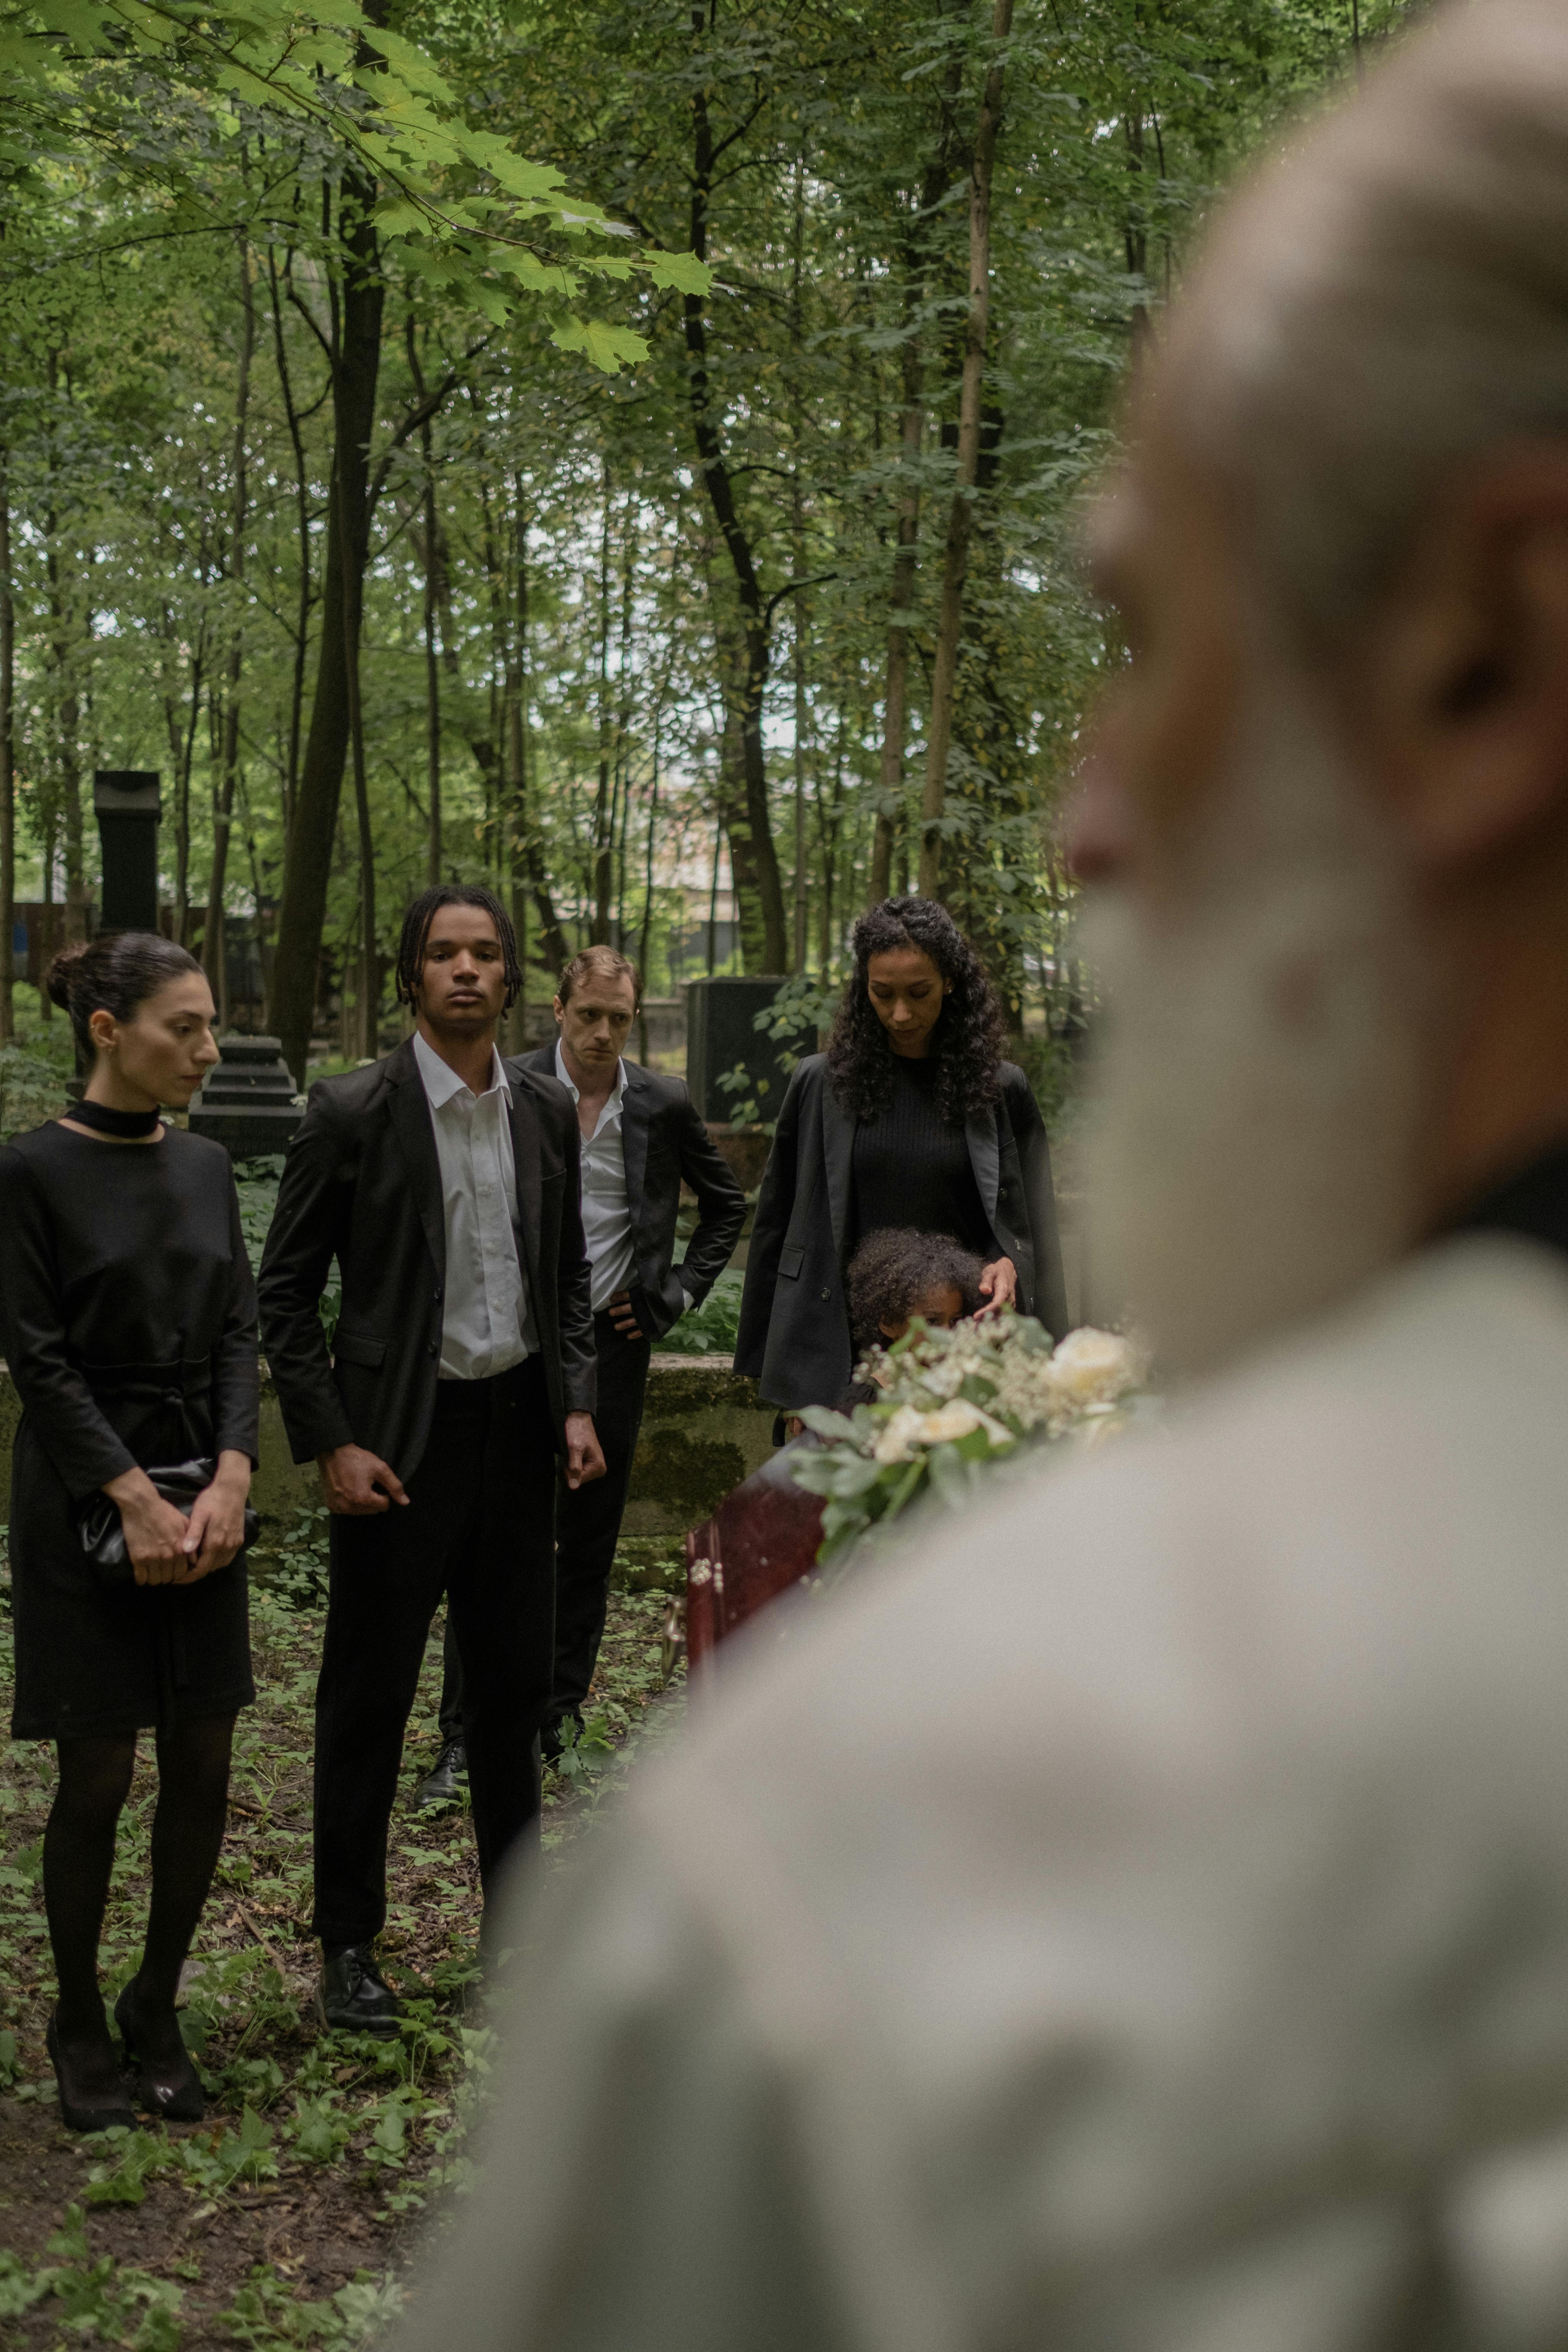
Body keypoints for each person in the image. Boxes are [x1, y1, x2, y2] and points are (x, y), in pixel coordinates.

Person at [388, 5, 1568, 2344]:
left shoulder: (880, 1882)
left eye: (1151, 634)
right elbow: (796, 1229)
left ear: (1482, 650)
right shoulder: (820, 1100)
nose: (1090, 813)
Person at [256, 885, 603, 2035]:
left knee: (510, 1695)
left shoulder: (546, 1110)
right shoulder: (351, 1110)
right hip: (397, 1444)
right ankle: (348, 1944)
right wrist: (332, 1440)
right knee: (369, 1696)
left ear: (510, 979)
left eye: (486, 953)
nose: (465, 969)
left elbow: (562, 1282)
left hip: (516, 1431)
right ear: (412, 975)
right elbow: (284, 1296)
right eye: (443, 953)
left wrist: (574, 1405)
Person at [0, 935, 257, 2134]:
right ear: (108, 1029)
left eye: (210, 1027)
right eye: (185, 1027)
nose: (206, 1049)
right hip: (81, 1496)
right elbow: (35, 1358)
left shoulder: (206, 1163)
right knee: (98, 1766)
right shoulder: (30, 1172)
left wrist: (235, 1473)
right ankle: (76, 2019)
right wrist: (129, 1493)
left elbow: (239, 1332)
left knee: (202, 1753)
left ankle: (158, 2001)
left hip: (206, 1491)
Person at [417, 943, 744, 1801]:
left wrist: (671, 1295)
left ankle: (557, 1718)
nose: (602, 1033)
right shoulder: (513, 1086)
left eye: (619, 1019)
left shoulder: (661, 1103)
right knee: (492, 1545)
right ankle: (462, 1739)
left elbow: (728, 1207)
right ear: (556, 1009)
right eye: (589, 1014)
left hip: (615, 1346)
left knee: (588, 1539)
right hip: (520, 1344)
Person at [735, 896, 1068, 1411]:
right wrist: (781, 1378)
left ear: (950, 983)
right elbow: (777, 1226)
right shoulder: (818, 1083)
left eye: (919, 993)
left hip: (964, 1347)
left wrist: (1011, 1267)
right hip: (844, 1353)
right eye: (881, 993)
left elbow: (1032, 1230)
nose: (899, 1013)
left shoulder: (1001, 1090)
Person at [845, 1226, 984, 1358]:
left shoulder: (964, 1380)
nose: (948, 1335)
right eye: (933, 1321)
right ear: (889, 1323)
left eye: (955, 1321)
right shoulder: (870, 1383)